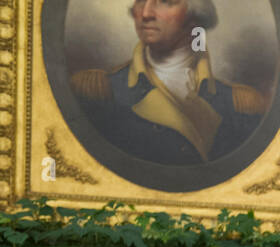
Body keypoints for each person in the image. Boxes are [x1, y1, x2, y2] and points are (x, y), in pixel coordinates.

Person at [69, 0, 266, 165]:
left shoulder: (240, 105)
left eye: (165, 1)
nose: (146, 13)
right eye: (140, 1)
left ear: (194, 16)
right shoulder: (99, 92)